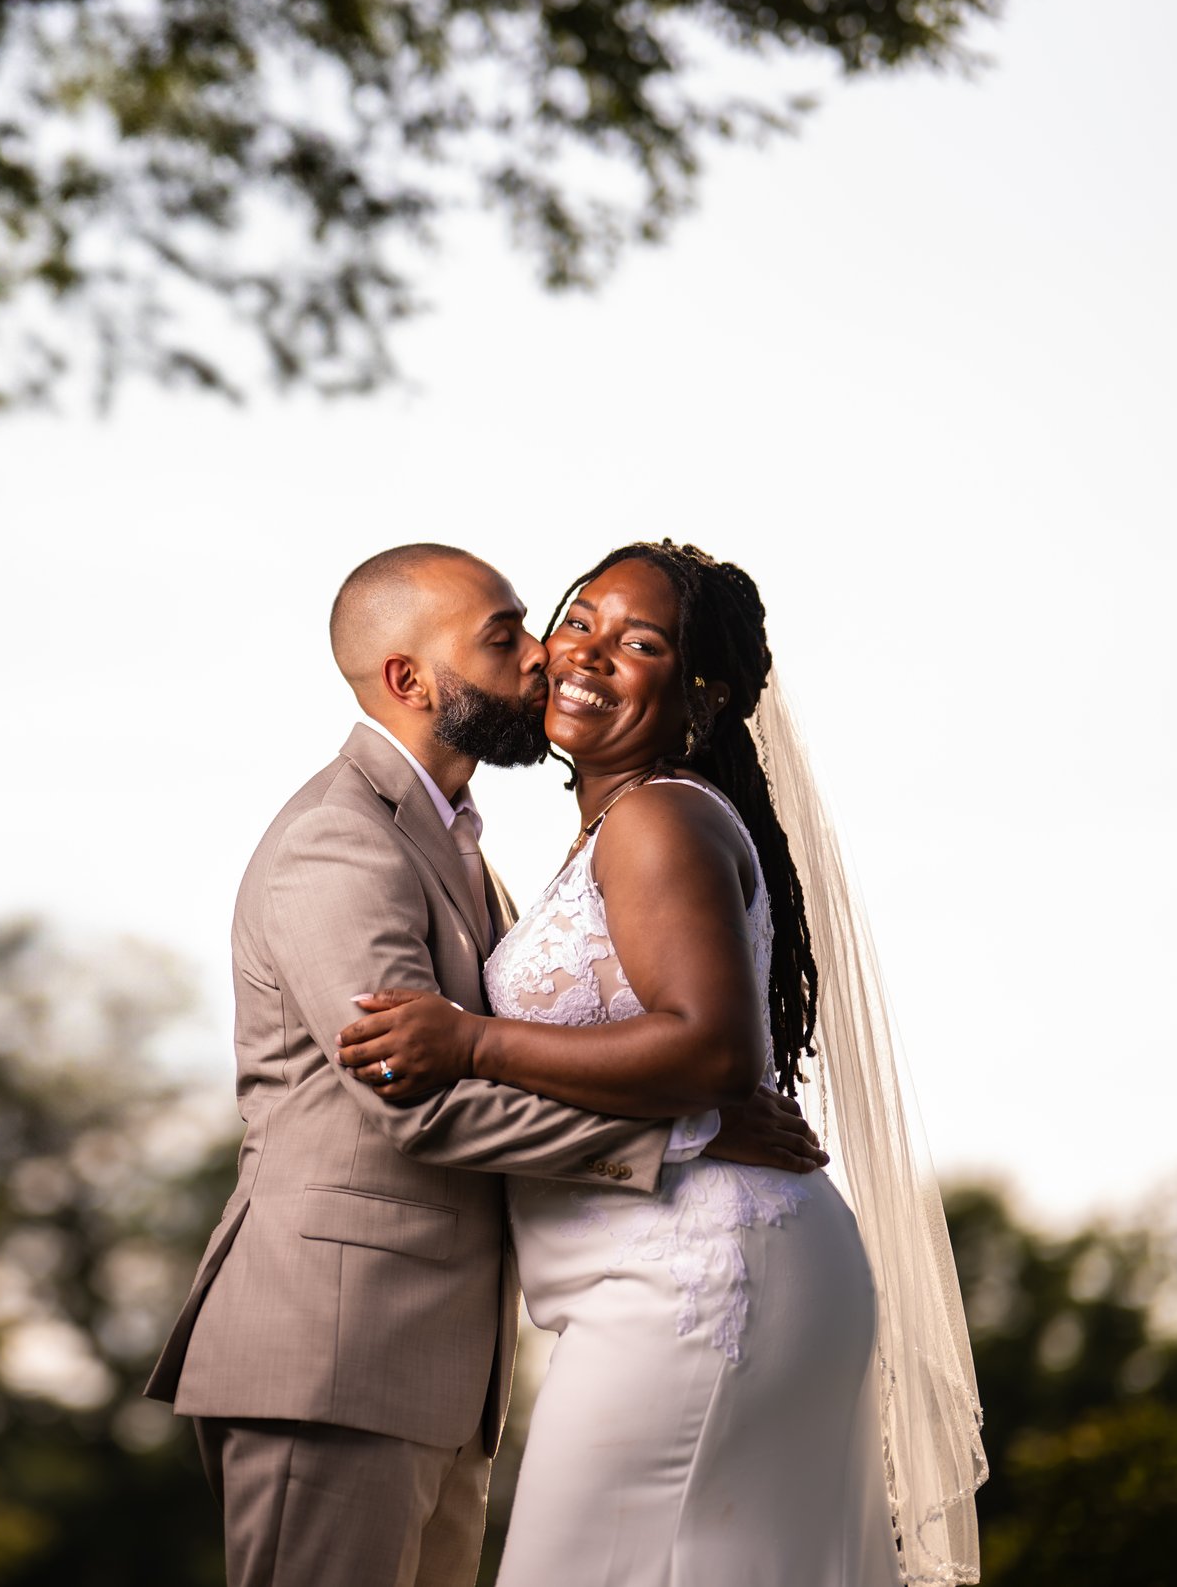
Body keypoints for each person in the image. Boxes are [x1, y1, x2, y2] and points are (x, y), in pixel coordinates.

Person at [144, 543, 826, 1587]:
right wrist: (673, 1135)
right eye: (504, 636)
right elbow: (417, 1103)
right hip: (332, 1353)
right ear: (411, 680)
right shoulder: (342, 842)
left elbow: (498, 1059)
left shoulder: (476, 857)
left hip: (447, 1373)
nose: (545, 654)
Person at [337, 540, 983, 1586]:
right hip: (684, 1266)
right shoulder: (617, 825)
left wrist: (468, 1039)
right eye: (578, 619)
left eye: (640, 642)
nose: (588, 654)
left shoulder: (656, 818)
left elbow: (712, 1046)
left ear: (702, 691)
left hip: (690, 1281)